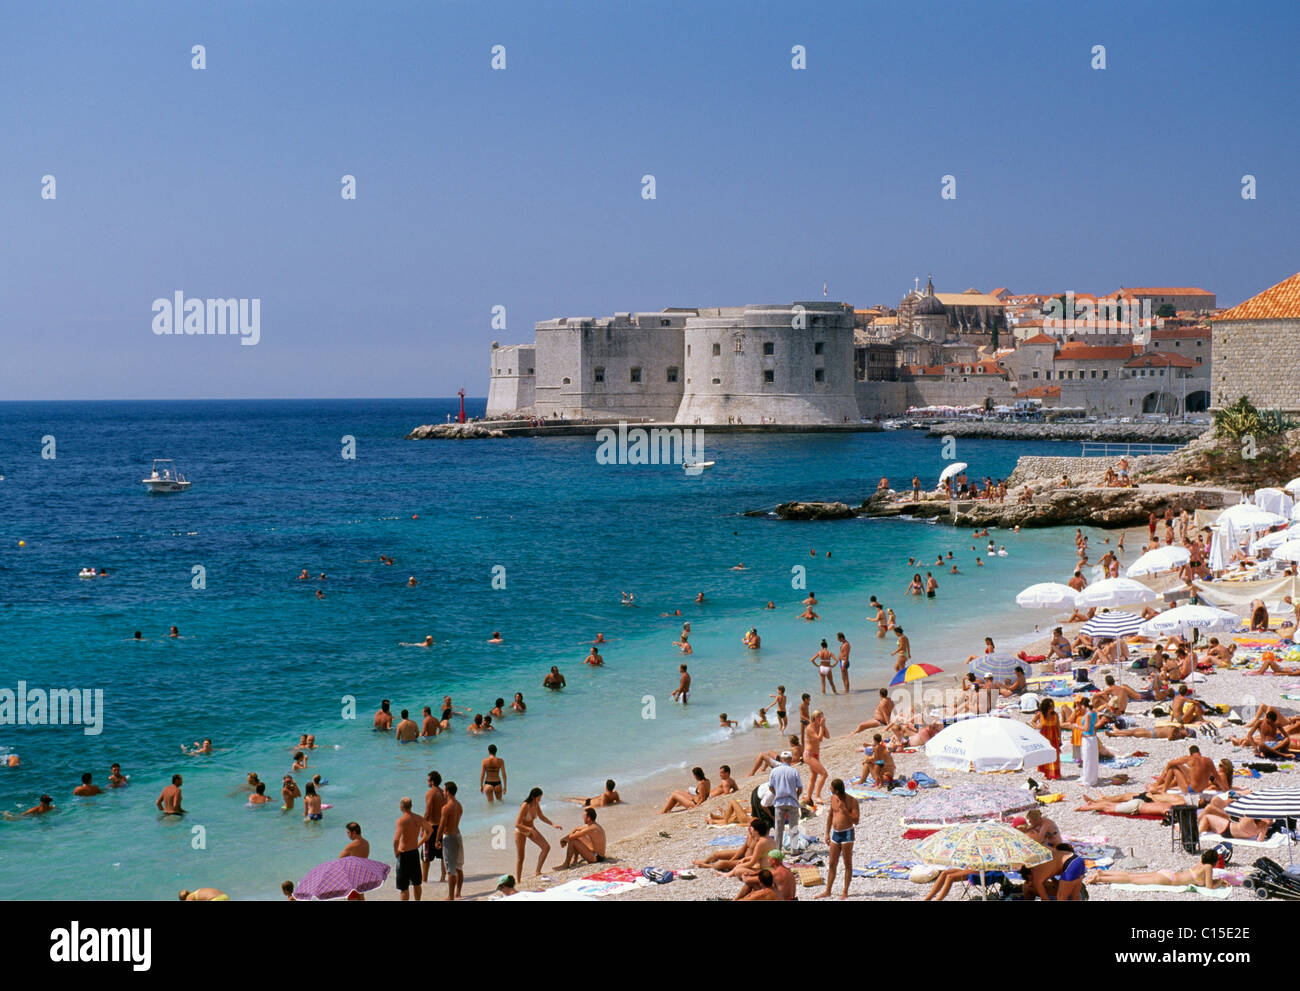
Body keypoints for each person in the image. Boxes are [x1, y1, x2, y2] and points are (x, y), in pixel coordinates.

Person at [1089, 850, 1223, 889]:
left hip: (1168, 873)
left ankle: (1104, 873)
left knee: (1132, 875)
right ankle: (1101, 878)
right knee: (1131, 879)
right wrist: (1220, 882)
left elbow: (1205, 881)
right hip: (1168, 879)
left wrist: (1216, 880)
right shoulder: (1208, 867)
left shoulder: (1201, 862)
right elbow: (1210, 886)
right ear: (1213, 862)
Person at [817, 778, 858, 900]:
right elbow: (830, 815)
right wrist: (827, 833)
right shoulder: (833, 798)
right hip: (835, 833)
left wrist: (845, 811)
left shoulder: (852, 801)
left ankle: (845, 891)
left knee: (847, 863)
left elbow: (856, 820)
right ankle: (828, 890)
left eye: (831, 788)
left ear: (837, 790)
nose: (829, 789)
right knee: (832, 863)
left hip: (847, 833)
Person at [392, 796, 432, 901]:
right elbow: (430, 830)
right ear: (411, 806)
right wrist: (419, 844)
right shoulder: (418, 818)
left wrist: (396, 852)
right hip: (414, 852)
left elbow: (396, 840)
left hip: (404, 854)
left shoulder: (401, 820)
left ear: (401, 807)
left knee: (404, 887)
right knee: (417, 883)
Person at [435, 781, 465, 900]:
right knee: (459, 867)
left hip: (449, 838)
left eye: (444, 790)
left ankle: (450, 896)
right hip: (458, 835)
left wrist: (437, 840)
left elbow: (442, 826)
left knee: (451, 869)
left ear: (448, 792)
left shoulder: (446, 807)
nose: (443, 792)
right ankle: (458, 893)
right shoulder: (459, 805)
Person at [768, 751, 802, 851]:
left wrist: (776, 794)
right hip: (792, 801)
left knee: (778, 828)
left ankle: (778, 849)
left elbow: (770, 787)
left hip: (779, 802)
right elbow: (799, 788)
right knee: (793, 827)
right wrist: (796, 796)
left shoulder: (774, 771)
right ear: (791, 760)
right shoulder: (794, 771)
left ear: (781, 759)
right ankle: (794, 850)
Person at [422, 771, 446, 884]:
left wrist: (422, 828)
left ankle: (424, 880)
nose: (427, 782)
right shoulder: (443, 793)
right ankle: (443, 878)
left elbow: (427, 812)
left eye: (428, 780)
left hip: (431, 828)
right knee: (443, 856)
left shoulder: (430, 793)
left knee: (426, 857)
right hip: (442, 827)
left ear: (432, 781)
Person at [1031, 699, 1061, 781]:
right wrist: (1037, 726)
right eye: (1050, 706)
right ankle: (1046, 774)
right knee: (1045, 755)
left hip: (1053, 737)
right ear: (1046, 707)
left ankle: (1054, 774)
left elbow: (1058, 727)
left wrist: (1060, 738)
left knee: (1054, 756)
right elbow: (1033, 721)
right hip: (1044, 738)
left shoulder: (1055, 715)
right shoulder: (1040, 714)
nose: (1052, 708)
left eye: (1053, 706)